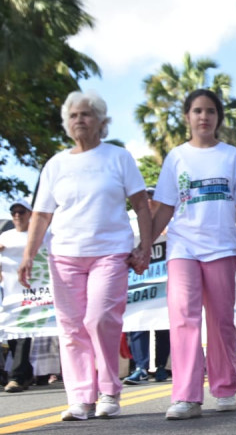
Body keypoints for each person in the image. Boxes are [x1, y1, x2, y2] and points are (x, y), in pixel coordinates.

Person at [18, 91, 153, 420]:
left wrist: (145, 246)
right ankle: (80, 397)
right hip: (64, 255)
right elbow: (41, 216)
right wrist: (28, 256)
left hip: (110, 252)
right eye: (74, 116)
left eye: (86, 115)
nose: (80, 120)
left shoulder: (118, 158)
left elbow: (140, 205)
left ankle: (109, 390)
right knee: (71, 327)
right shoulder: (56, 164)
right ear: (67, 123)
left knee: (100, 318)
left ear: (101, 122)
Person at [150, 89, 236, 420]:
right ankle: (186, 397)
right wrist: (142, 245)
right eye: (197, 111)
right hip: (183, 248)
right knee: (183, 318)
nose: (203, 116)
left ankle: (224, 388)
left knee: (221, 321)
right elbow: (164, 208)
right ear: (187, 117)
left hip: (221, 247)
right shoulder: (176, 157)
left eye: (209, 111)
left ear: (218, 117)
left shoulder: (231, 156)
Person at [124, 187, 170, 385]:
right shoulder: (130, 224)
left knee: (163, 326)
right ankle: (140, 367)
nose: (150, 202)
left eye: (154, 198)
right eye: (147, 199)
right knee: (137, 324)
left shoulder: (170, 221)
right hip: (138, 285)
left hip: (163, 286)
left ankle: (161, 367)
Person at [1, 200, 35, 392]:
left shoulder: (38, 235)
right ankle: (26, 372)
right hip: (10, 291)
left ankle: (17, 377)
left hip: (33, 292)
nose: (17, 216)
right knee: (13, 333)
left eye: (21, 212)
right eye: (13, 212)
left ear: (30, 214)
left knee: (24, 332)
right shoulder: (5, 236)